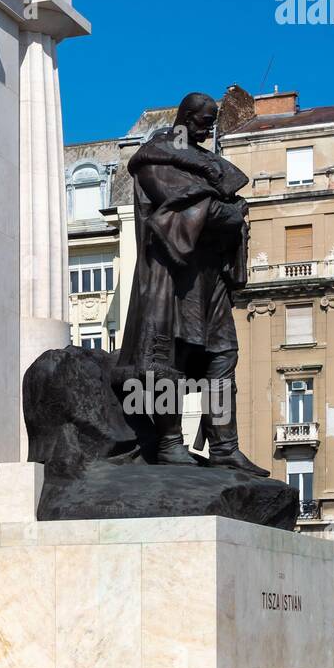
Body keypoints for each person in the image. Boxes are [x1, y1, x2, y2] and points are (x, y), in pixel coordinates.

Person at [119, 92, 268, 476]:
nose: (208, 126)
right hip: (173, 274)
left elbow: (232, 208)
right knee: (170, 360)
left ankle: (224, 447)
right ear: (185, 117)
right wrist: (225, 211)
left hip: (210, 276)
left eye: (213, 119)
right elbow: (182, 208)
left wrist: (229, 211)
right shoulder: (156, 156)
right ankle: (170, 443)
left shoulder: (209, 162)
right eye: (203, 119)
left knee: (222, 357)